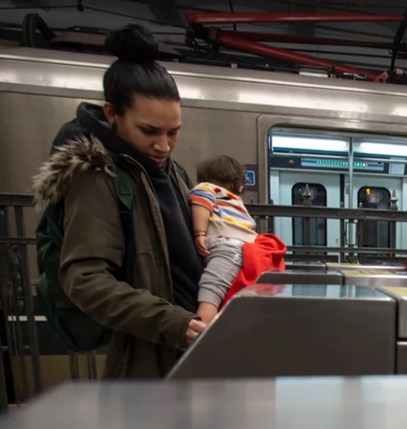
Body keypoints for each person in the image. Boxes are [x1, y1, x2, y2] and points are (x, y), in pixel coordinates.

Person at [33, 24, 206, 379]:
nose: (164, 146)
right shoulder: (97, 177)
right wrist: (173, 322)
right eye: (149, 131)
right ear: (112, 113)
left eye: (173, 132)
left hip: (189, 344)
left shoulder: (172, 173)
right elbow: (84, 278)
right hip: (151, 355)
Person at [189, 156, 258, 324]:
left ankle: (201, 329)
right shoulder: (230, 198)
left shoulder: (206, 188)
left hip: (227, 246)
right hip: (239, 248)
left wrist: (199, 233)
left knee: (212, 290)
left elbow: (200, 205)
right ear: (240, 186)